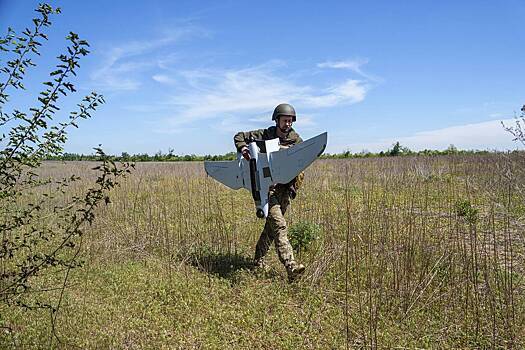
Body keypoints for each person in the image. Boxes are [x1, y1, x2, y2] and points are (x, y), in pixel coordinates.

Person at [233, 103, 306, 282]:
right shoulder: (265, 134)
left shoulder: (297, 140)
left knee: (271, 229)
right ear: (277, 120)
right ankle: (291, 266)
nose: (287, 124)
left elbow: (302, 160)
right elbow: (239, 136)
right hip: (267, 188)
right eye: (284, 120)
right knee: (279, 226)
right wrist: (243, 148)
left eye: (290, 121)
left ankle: (258, 260)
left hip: (286, 189)